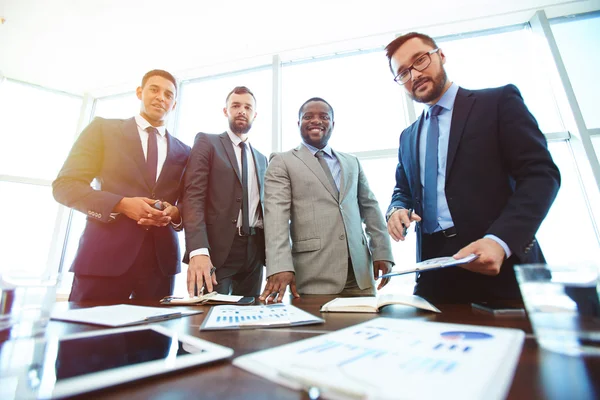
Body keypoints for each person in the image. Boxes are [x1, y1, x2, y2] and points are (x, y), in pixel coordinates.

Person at [384, 32, 561, 303]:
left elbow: (540, 175)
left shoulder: (498, 102)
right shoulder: (408, 136)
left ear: (440, 56)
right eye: (403, 73)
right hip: (434, 274)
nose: (414, 75)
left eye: (420, 60)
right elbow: (403, 189)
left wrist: (500, 240)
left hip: (500, 264)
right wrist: (396, 208)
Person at [53, 69, 191, 301]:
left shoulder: (185, 151)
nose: (161, 98)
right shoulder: (103, 130)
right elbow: (65, 185)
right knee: (90, 336)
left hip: (159, 267)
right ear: (139, 92)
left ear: (174, 104)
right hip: (103, 259)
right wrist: (121, 204)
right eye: (154, 90)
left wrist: (176, 212)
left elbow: (188, 203)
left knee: (152, 338)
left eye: (168, 95)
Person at [259, 97, 394, 303]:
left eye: (324, 117)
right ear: (298, 124)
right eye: (308, 117)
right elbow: (276, 218)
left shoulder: (352, 162)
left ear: (332, 123)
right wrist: (280, 266)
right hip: (315, 275)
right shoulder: (282, 161)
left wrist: (382, 251)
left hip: (360, 275)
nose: (316, 121)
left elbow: (370, 208)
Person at [182, 86, 268, 297]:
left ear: (254, 115)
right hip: (216, 251)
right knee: (207, 321)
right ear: (225, 111)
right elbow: (193, 198)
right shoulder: (207, 142)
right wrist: (198, 250)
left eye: (248, 107)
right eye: (236, 106)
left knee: (250, 320)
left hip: (254, 251)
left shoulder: (261, 158)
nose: (242, 111)